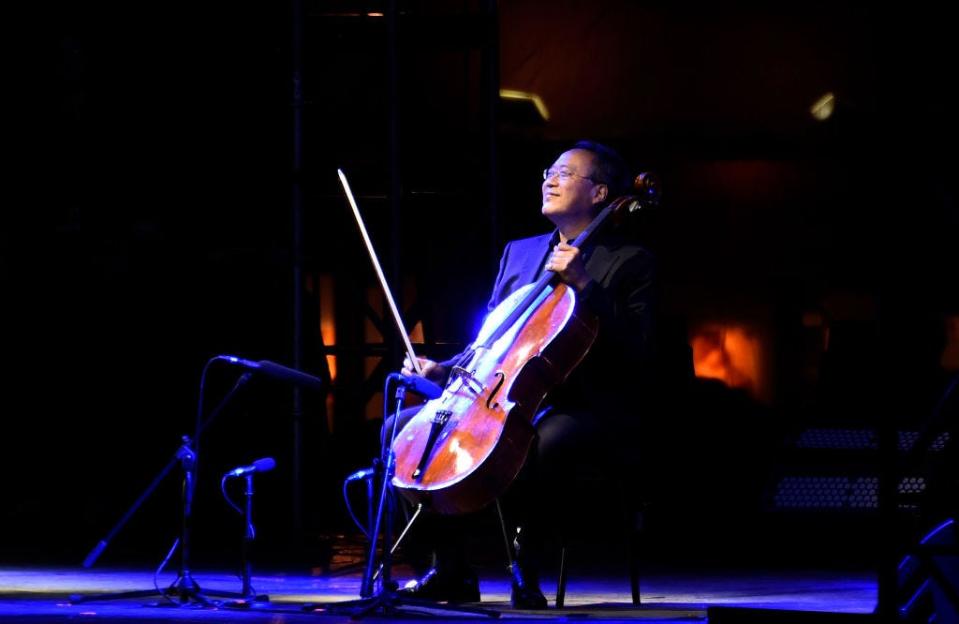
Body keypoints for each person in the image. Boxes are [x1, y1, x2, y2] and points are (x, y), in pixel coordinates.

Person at [386, 140, 661, 608]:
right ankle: (448, 567)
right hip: (506, 392)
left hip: (583, 401)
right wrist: (443, 367)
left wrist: (586, 286)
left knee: (543, 441)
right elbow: (492, 342)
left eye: (564, 174)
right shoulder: (520, 252)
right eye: (547, 173)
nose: (549, 180)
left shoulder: (630, 260)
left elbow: (638, 348)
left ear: (600, 194)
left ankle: (524, 562)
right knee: (403, 432)